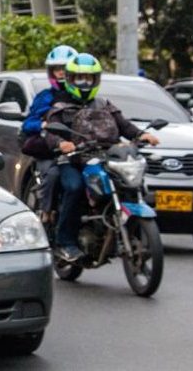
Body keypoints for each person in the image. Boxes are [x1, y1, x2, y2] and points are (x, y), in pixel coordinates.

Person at [43, 53, 160, 262]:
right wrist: (62, 144)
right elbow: (51, 134)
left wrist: (142, 135)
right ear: (69, 79)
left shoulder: (104, 104)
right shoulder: (59, 107)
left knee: (130, 185)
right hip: (73, 161)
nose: (84, 83)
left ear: (96, 80)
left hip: (105, 159)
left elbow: (125, 126)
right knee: (75, 187)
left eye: (89, 79)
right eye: (79, 78)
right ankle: (65, 242)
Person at [20, 45, 77, 223]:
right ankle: (47, 213)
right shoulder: (45, 97)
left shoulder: (84, 98)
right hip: (50, 150)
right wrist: (44, 124)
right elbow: (28, 124)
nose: (61, 73)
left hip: (79, 150)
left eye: (65, 69)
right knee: (53, 175)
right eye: (57, 69)